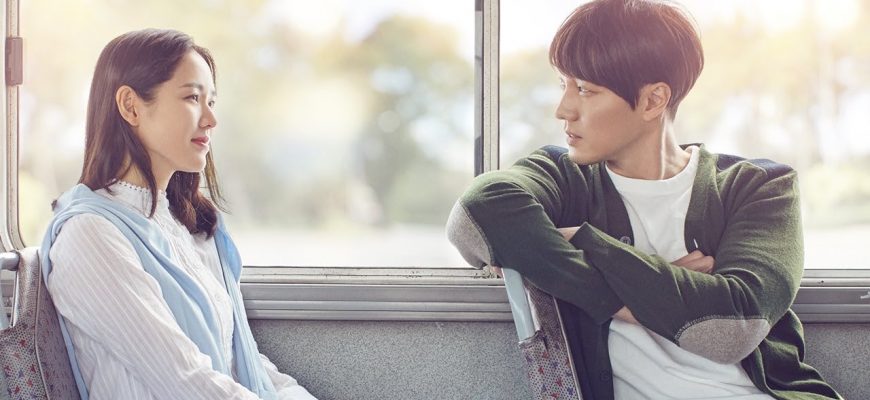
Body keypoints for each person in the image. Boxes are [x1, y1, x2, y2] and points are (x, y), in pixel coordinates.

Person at [446, 0, 842, 399]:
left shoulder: (759, 186)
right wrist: (649, 291)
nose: (563, 109)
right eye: (563, 84)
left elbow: (730, 330)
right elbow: (475, 215)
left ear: (653, 100)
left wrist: (584, 241)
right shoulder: (562, 178)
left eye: (584, 89)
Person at [40, 29, 317, 400]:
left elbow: (242, 361)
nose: (211, 119)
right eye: (192, 98)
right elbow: (186, 382)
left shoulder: (185, 225)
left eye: (211, 102)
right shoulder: (89, 236)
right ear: (131, 106)